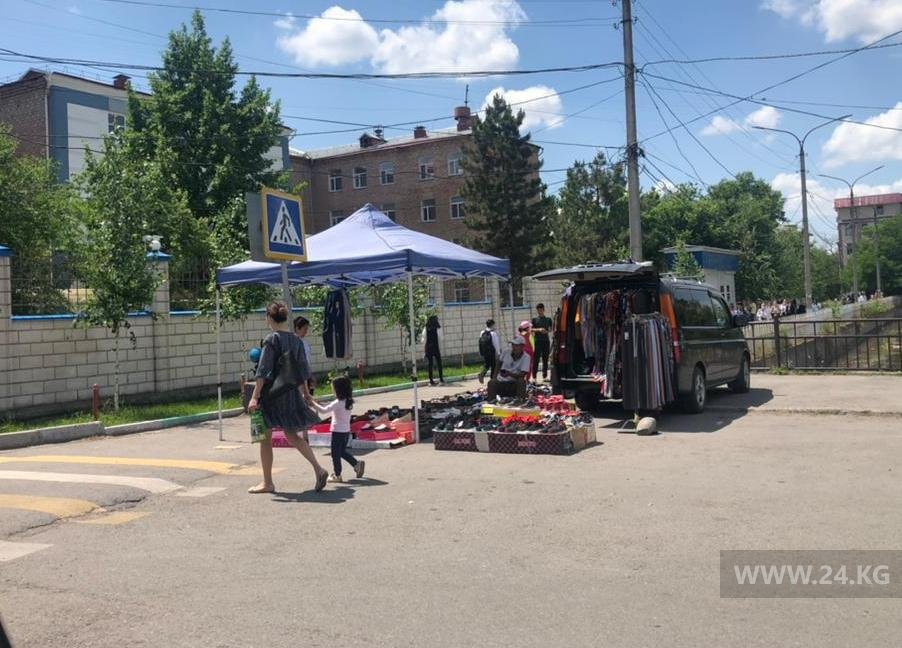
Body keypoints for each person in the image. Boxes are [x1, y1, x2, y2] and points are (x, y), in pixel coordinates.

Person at [247, 302, 328, 494]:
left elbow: (263, 371)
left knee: (265, 439)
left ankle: (268, 482)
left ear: (269, 318)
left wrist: (254, 397)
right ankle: (319, 469)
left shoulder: (272, 339)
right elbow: (302, 371)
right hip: (291, 394)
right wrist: (306, 394)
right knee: (292, 435)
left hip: (272, 396)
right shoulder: (296, 340)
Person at [307, 376, 365, 484]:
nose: (332, 390)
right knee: (341, 452)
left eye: (332, 388)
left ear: (338, 389)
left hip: (337, 432)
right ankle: (356, 464)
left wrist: (312, 403)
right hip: (346, 431)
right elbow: (328, 407)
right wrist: (315, 402)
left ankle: (337, 475)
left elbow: (324, 411)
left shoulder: (338, 402)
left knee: (335, 454)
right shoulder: (347, 401)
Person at [486, 335, 531, 400]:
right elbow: (498, 364)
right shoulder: (506, 352)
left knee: (521, 381)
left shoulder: (526, 357)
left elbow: (523, 374)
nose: (514, 347)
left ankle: (520, 401)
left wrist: (509, 374)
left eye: (516, 345)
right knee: (491, 383)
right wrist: (494, 377)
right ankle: (491, 402)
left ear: (522, 346)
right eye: (513, 345)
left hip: (514, 383)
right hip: (501, 382)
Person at [293, 315, 316, 395]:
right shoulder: (293, 343)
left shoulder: (304, 342)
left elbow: (307, 360)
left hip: (306, 374)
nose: (306, 331)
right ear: (297, 328)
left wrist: (310, 374)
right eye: (305, 329)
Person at [531, 303, 553, 382]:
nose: (539, 312)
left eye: (541, 310)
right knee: (536, 359)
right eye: (538, 310)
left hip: (546, 341)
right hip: (537, 341)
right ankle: (534, 377)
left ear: (543, 310)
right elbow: (531, 329)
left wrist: (546, 331)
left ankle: (545, 376)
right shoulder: (534, 320)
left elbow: (551, 329)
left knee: (545, 359)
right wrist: (539, 329)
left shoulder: (548, 319)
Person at [422, 314, 444, 385]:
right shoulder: (438, 327)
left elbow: (424, 339)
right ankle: (441, 379)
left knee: (430, 364)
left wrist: (424, 349)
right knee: (439, 363)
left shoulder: (426, 328)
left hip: (429, 347)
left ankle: (431, 381)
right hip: (436, 347)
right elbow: (441, 338)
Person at [477, 318, 501, 384]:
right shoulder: (493, 333)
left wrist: (481, 352)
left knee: (487, 364)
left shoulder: (482, 332)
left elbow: (480, 342)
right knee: (494, 366)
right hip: (491, 352)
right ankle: (492, 379)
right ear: (492, 325)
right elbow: (496, 344)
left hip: (485, 352)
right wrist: (498, 353)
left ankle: (482, 374)